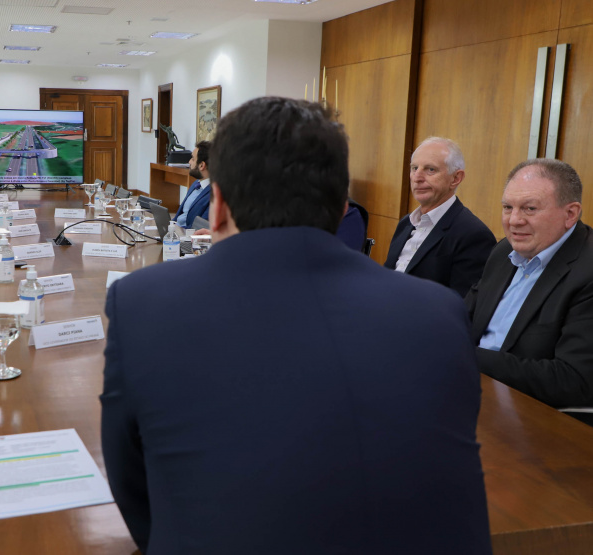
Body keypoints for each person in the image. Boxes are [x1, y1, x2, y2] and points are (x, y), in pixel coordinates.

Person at [101, 97, 491, 554]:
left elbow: (132, 485)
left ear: (219, 203)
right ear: (341, 204)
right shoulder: (439, 313)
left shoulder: (142, 304)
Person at [467, 158, 593, 419]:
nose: (514, 220)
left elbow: (574, 381)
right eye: (507, 207)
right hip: (475, 395)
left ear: (570, 214)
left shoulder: (588, 271)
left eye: (529, 209)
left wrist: (468, 356)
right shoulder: (504, 250)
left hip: (542, 421)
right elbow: (464, 316)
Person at [384, 137, 496, 296]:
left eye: (430, 170)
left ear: (456, 178)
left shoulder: (473, 235)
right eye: (414, 168)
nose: (417, 178)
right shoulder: (405, 223)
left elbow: (461, 306)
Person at [173, 141, 211, 229]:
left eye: (193, 159)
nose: (189, 162)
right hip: (174, 232)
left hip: (186, 237)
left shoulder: (215, 194)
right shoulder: (196, 184)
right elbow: (180, 215)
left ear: (202, 165)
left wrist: (177, 231)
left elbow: (200, 228)